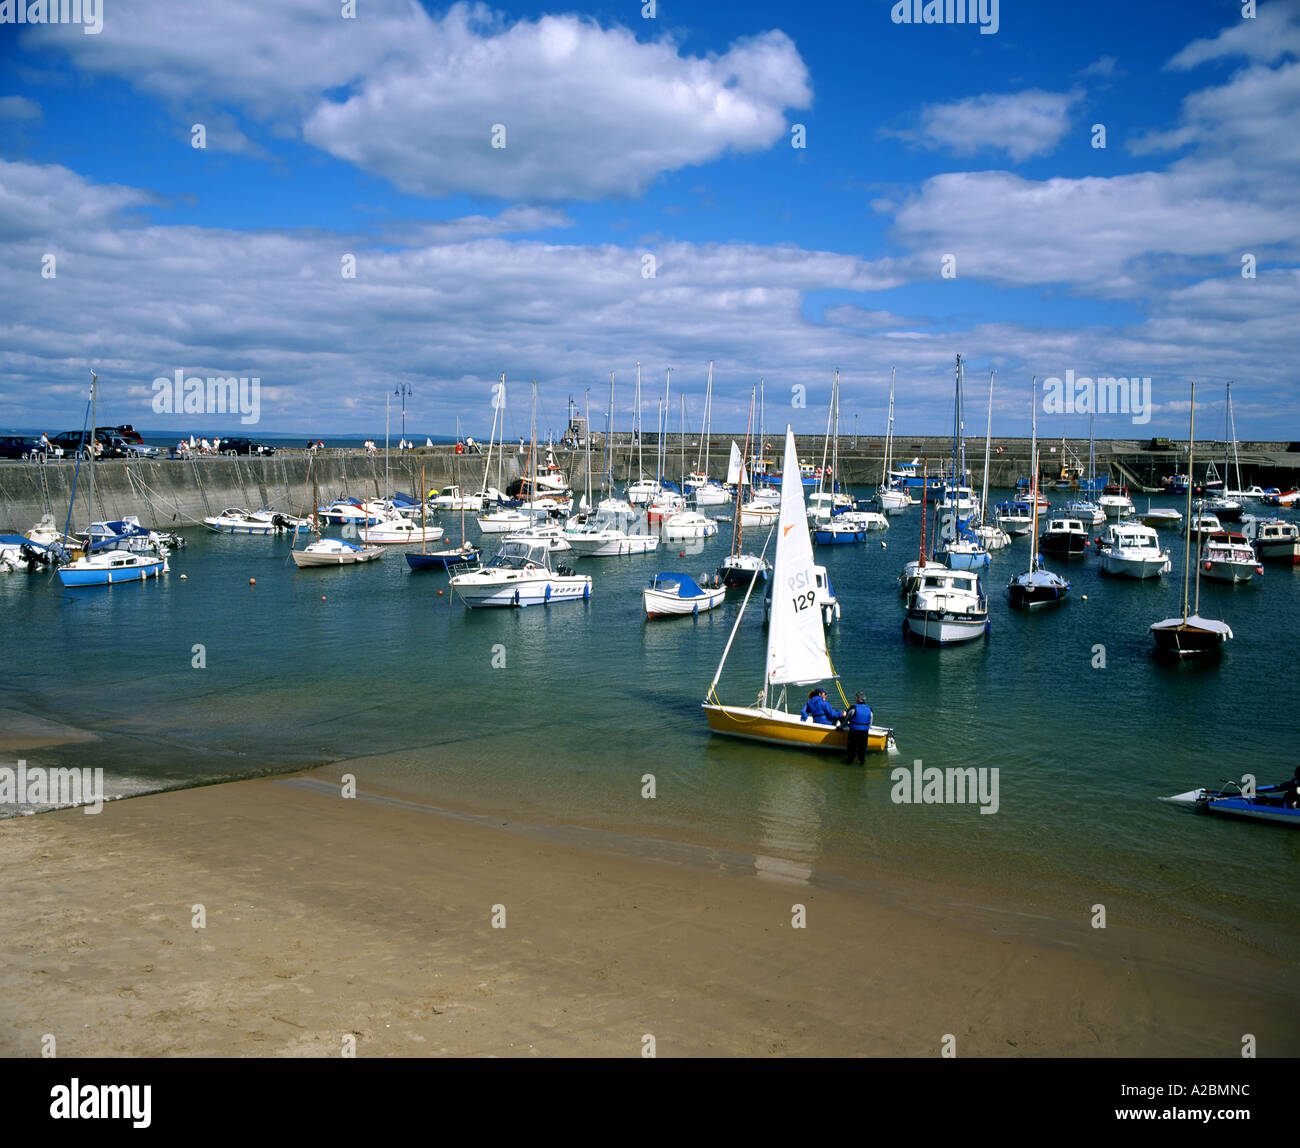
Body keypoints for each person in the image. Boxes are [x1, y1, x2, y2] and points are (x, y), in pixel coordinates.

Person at [843, 691, 874, 765]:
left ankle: (849, 763)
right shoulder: (870, 710)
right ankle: (861, 764)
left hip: (854, 733)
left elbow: (846, 720)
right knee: (862, 752)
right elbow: (870, 724)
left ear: (857, 699)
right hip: (864, 734)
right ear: (864, 699)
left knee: (851, 752)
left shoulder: (853, 709)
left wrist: (841, 727)